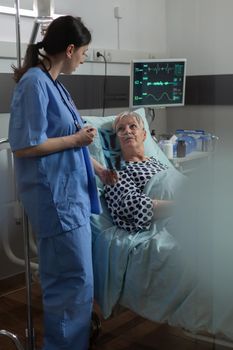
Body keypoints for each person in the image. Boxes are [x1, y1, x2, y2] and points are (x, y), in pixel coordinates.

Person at [8, 15, 117, 350]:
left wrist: (98, 168)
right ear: (70, 49)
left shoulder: (55, 84)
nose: (84, 58)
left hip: (71, 197)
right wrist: (76, 142)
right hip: (55, 200)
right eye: (84, 52)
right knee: (70, 283)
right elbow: (25, 145)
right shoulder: (34, 84)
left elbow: (73, 137)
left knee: (78, 281)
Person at [104, 111, 174, 233]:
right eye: (121, 129)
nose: (127, 131)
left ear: (144, 135)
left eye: (133, 126)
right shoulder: (117, 172)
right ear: (117, 140)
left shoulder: (158, 163)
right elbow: (135, 207)